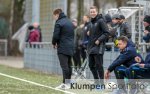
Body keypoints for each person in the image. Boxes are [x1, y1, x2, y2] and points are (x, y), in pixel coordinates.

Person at [52, 9, 74, 89]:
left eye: (54, 16)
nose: (54, 18)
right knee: (69, 65)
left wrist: (54, 43)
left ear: (57, 14)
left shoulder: (58, 22)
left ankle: (65, 84)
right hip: (71, 47)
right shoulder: (70, 22)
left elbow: (55, 36)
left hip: (62, 47)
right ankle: (68, 83)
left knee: (64, 66)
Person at [88, 6, 109, 84]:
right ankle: (96, 81)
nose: (92, 13)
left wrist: (99, 40)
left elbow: (107, 33)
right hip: (91, 47)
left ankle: (101, 83)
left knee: (99, 65)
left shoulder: (101, 21)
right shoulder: (91, 23)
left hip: (99, 47)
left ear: (96, 12)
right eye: (91, 12)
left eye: (94, 11)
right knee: (91, 65)